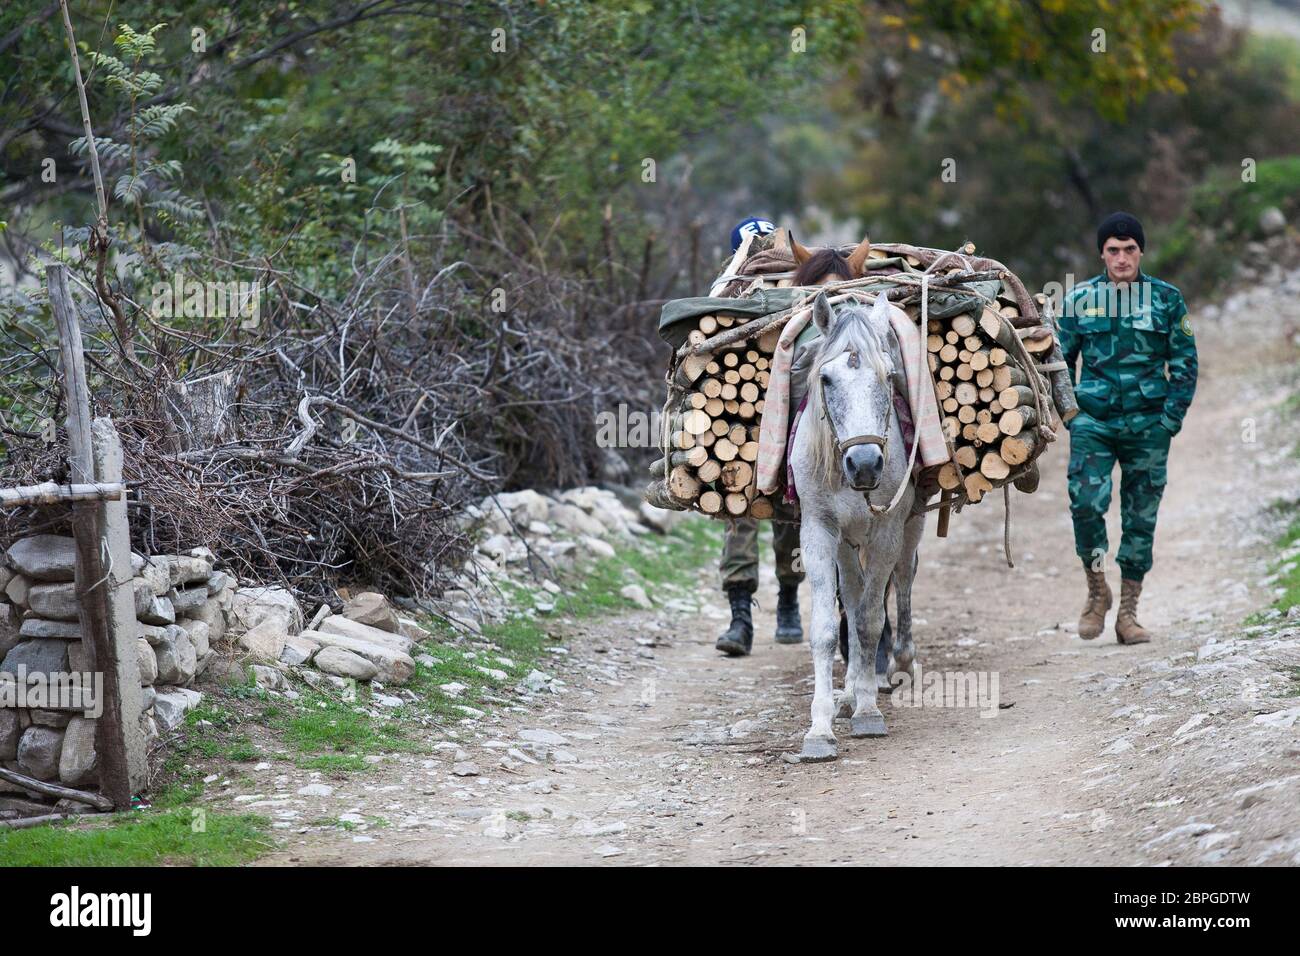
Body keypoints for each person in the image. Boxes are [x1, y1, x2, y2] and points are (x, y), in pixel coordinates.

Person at [1058, 211, 1198, 644]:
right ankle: (1097, 591)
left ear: (1141, 252)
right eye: (1113, 250)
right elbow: (1059, 364)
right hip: (1094, 422)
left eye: (1130, 250)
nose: (1122, 258)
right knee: (1085, 505)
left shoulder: (1167, 300)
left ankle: (1129, 613)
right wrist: (1071, 415)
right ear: (1102, 253)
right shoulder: (1080, 299)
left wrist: (1169, 421)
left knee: (1140, 518)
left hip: (1148, 424)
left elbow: (1186, 363)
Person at [714, 216, 805, 656]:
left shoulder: (800, 293)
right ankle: (740, 617)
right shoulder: (723, 296)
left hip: (789, 422)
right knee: (739, 515)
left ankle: (789, 600)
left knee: (790, 514)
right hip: (737, 427)